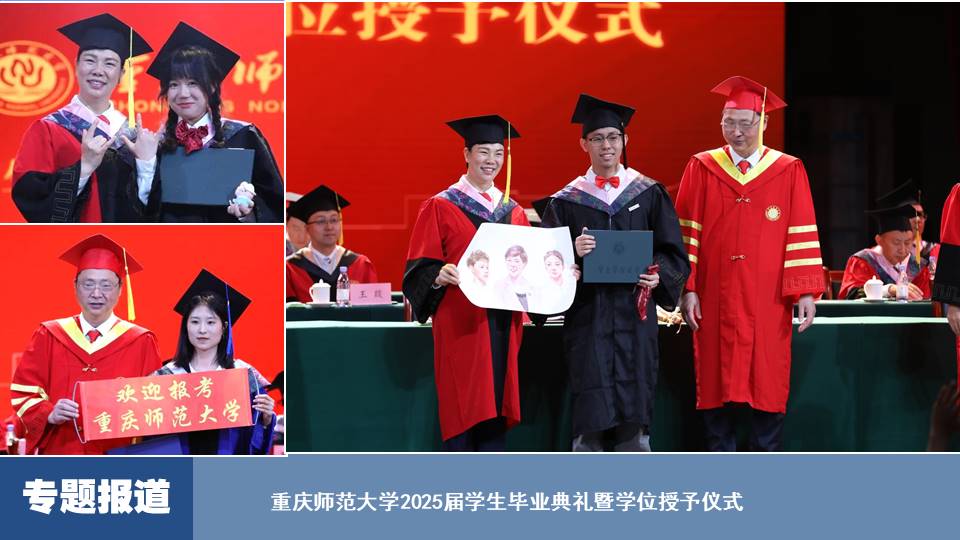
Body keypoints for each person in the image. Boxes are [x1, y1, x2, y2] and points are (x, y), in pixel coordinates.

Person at [675, 75, 825, 451]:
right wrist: (686, 288)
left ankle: (764, 467)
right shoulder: (702, 167)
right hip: (714, 295)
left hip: (768, 300)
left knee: (767, 381)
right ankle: (720, 466)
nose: (736, 132)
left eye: (745, 123)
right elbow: (685, 234)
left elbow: (801, 231)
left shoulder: (788, 169)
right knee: (714, 382)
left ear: (764, 122)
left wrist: (806, 291)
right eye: (728, 122)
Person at [540, 94, 689, 452]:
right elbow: (546, 262)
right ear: (584, 144)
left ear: (625, 141)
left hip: (635, 318)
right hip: (588, 319)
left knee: (633, 409)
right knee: (591, 407)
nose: (606, 145)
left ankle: (633, 481)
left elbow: (672, 252)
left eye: (613, 137)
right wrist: (571, 251)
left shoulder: (648, 193)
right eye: (597, 138)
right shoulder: (567, 200)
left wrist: (658, 275)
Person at [403, 114, 530, 451]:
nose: (492, 161)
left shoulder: (513, 211)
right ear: (467, 154)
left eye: (498, 154)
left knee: (497, 405)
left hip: (502, 321)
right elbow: (419, 268)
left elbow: (528, 266)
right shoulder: (441, 206)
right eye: (483, 152)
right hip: (461, 322)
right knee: (464, 404)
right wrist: (437, 275)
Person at [10, 234, 161, 454]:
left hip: (117, 456)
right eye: (88, 284)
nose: (96, 294)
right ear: (75, 286)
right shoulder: (49, 335)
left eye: (106, 285)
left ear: (120, 289)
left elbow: (154, 404)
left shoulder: (141, 341)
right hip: (60, 453)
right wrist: (48, 413)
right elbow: (25, 391)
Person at [12, 13, 154, 222]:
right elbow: (30, 197)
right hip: (76, 240)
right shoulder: (48, 129)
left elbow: (150, 211)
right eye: (90, 60)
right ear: (76, 65)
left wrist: (147, 165)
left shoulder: (131, 137)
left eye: (109, 63)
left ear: (122, 74)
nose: (98, 71)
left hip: (126, 241)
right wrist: (83, 168)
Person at [138, 22, 284, 222]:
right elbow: (146, 213)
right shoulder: (158, 146)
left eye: (193, 83)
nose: (183, 93)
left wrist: (248, 213)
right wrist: (145, 163)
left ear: (213, 86)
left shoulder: (244, 136)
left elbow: (273, 205)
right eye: (174, 84)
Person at [151, 269, 276, 454]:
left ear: (224, 327)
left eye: (210, 322)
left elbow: (253, 442)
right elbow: (152, 436)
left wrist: (266, 419)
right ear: (186, 326)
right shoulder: (166, 376)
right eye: (195, 322)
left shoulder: (242, 375)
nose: (202, 330)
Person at [285, 185, 378, 303]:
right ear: (307, 228)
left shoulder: (361, 265)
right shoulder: (290, 268)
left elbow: (372, 309)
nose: (329, 227)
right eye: (321, 221)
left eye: (334, 220)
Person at [839, 204, 931, 300]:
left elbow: (925, 301)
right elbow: (852, 296)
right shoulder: (863, 262)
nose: (903, 249)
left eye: (907, 243)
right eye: (896, 243)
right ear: (879, 240)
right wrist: (889, 290)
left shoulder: (917, 267)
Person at [495, 245, 535, 311]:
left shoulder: (532, 287)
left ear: (524, 263)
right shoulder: (498, 286)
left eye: (516, 261)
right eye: (509, 260)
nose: (512, 265)